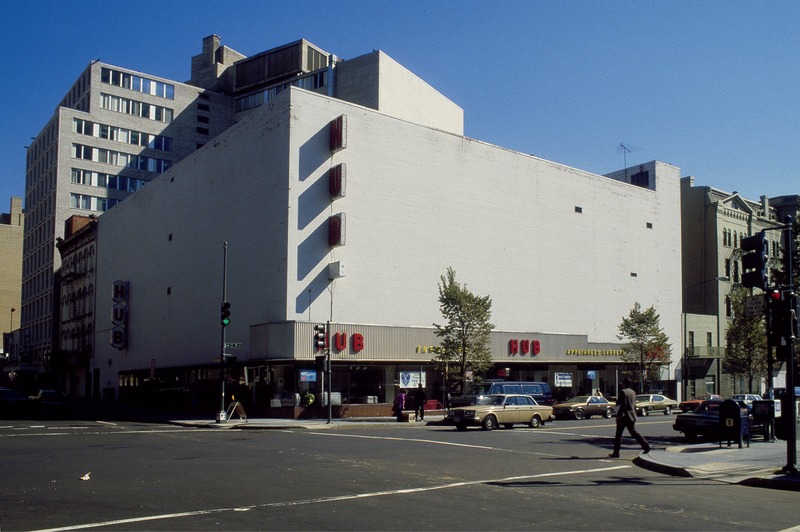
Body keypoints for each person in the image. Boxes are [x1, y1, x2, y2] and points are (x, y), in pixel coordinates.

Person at [609, 378, 651, 457]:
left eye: (622, 383)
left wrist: (619, 415)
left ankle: (616, 452)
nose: (621, 384)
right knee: (634, 433)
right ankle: (646, 446)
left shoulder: (623, 392)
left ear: (624, 383)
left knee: (618, 435)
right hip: (631, 415)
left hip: (624, 416)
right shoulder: (633, 392)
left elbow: (623, 405)